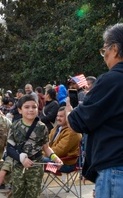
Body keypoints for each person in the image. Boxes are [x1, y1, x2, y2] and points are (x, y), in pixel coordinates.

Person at [66, 23, 123, 198]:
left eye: (104, 49)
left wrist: (70, 111)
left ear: (114, 49)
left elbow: (78, 121)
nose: (104, 55)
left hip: (115, 168)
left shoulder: (112, 80)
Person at [6, 94, 62, 198]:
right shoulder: (15, 126)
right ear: (20, 110)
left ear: (38, 109)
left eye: (34, 107)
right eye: (27, 107)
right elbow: (9, 149)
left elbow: (46, 147)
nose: (31, 110)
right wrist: (21, 158)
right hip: (18, 167)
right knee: (17, 194)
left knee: (34, 194)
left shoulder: (42, 127)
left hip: (36, 167)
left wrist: (55, 157)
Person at [43, 107, 81, 173]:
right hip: (53, 159)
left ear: (68, 117)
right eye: (57, 116)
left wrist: (41, 154)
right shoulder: (56, 128)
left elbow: (59, 151)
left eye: (61, 116)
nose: (58, 118)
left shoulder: (72, 132)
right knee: (33, 160)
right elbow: (46, 144)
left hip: (65, 165)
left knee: (37, 162)